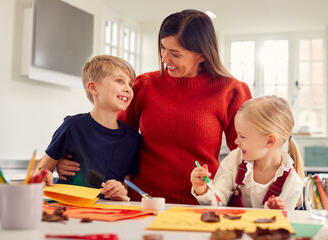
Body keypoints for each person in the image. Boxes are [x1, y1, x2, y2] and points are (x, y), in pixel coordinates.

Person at [56, 9, 252, 204]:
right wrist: (72, 161)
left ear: (201, 55)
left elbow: (246, 155)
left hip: (201, 202)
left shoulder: (231, 91)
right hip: (142, 201)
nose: (165, 59)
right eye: (162, 48)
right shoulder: (144, 85)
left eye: (175, 53)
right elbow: (111, 137)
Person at [38, 55, 141, 200]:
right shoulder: (72, 126)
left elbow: (125, 187)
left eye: (130, 84)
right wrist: (42, 175)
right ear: (93, 87)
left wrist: (121, 192)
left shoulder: (133, 138)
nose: (127, 89)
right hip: (68, 208)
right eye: (119, 81)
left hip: (108, 214)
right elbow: (41, 170)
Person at [190, 95, 305, 210]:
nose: (236, 141)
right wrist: (203, 190)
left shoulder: (292, 183)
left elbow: (283, 224)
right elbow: (218, 202)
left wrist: (278, 212)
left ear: (269, 141)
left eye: (242, 136)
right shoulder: (235, 159)